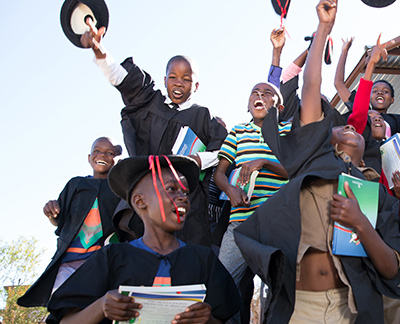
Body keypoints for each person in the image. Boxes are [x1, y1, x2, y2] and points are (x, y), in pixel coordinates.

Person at [234, 0, 400, 323]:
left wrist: (360, 223)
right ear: (322, 136)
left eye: (356, 131)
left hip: (347, 309)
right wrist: (323, 29)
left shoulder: (375, 195)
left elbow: (392, 267)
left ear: (366, 151)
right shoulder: (310, 160)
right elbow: (310, 89)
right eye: (337, 126)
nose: (349, 129)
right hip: (298, 308)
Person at [80, 20, 228, 246]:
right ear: (165, 79)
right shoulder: (150, 103)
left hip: (187, 202)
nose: (179, 83)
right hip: (150, 193)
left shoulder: (204, 117)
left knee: (187, 258)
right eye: (173, 77)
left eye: (187, 79)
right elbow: (123, 79)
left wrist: (199, 159)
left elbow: (224, 150)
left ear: (196, 86)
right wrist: (100, 51)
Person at [46, 155, 241, 324]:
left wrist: (208, 321)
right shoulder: (111, 258)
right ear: (140, 202)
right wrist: (100, 307)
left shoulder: (203, 260)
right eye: (172, 189)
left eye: (185, 192)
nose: (182, 197)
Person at [213, 81, 291, 324]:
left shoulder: (288, 131)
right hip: (241, 223)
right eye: (255, 93)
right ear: (248, 105)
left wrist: (264, 162)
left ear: (278, 105)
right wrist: (230, 189)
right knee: (220, 286)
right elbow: (219, 173)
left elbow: (296, 170)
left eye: (267, 93)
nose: (260, 96)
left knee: (284, 289)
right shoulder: (238, 131)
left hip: (279, 222)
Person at [18, 137, 123, 308]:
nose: (102, 155)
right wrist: (51, 211)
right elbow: (59, 222)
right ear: (89, 157)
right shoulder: (76, 184)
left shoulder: (119, 190)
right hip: (68, 262)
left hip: (100, 262)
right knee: (61, 306)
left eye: (109, 152)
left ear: (117, 159)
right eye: (96, 151)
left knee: (98, 308)